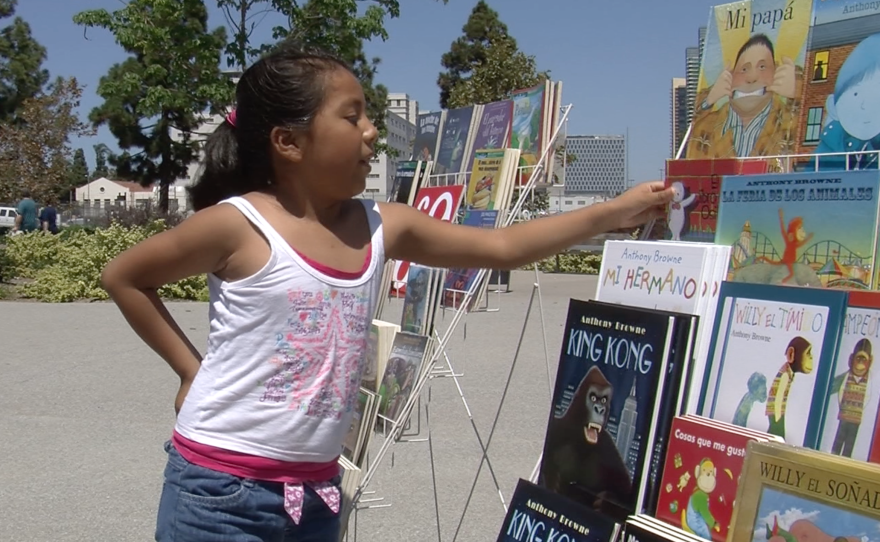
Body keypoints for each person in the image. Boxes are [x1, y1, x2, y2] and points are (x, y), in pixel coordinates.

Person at [100, 40, 673, 542]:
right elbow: (124, 277)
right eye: (352, 117)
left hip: (316, 495)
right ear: (288, 142)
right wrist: (189, 371)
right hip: (218, 491)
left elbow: (503, 248)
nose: (371, 131)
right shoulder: (238, 224)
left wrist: (611, 213)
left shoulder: (383, 225)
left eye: (369, 115)